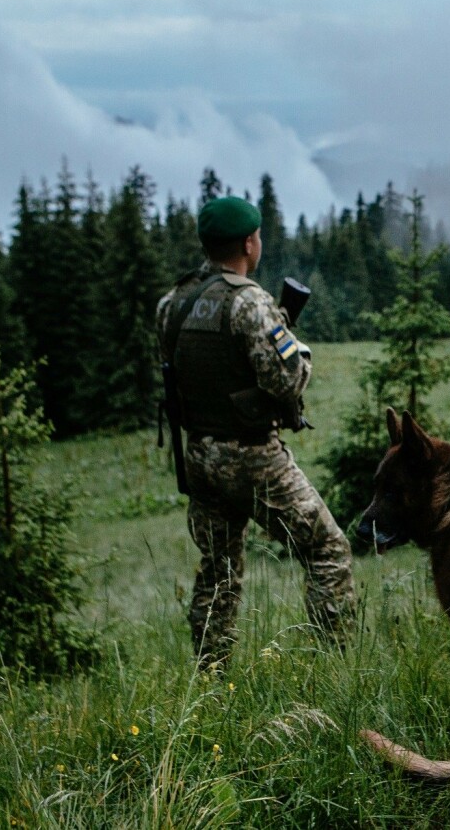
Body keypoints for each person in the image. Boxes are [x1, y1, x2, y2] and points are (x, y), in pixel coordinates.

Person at [157, 196, 355, 668]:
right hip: (251, 455)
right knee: (328, 549)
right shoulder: (249, 302)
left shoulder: (174, 302)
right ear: (249, 243)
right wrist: (299, 352)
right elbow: (285, 381)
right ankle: (335, 667)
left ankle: (210, 679)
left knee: (219, 570)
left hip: (199, 455)